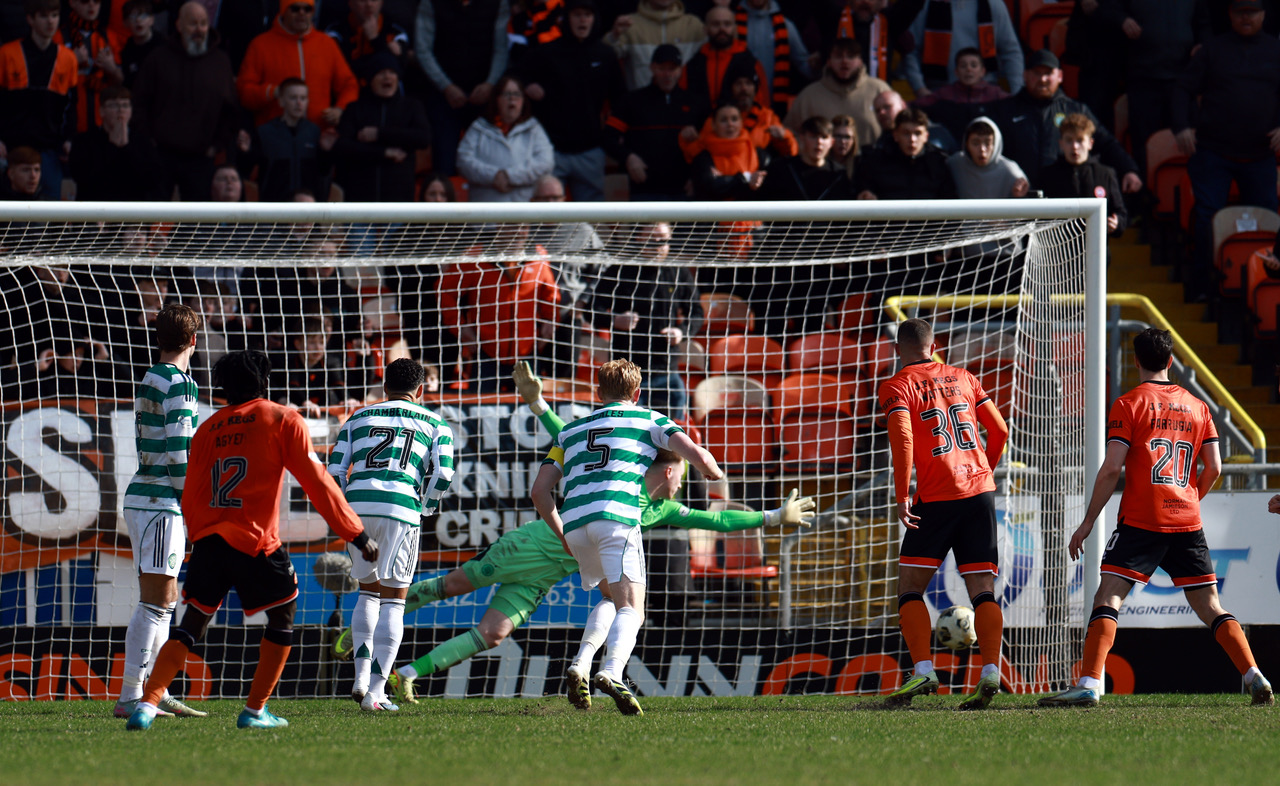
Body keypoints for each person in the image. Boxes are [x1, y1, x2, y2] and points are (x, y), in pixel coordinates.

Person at [332, 362, 814, 705]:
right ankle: (358, 640)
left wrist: (770, 518)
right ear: (667, 470)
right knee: (452, 586)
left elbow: (714, 520)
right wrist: (539, 404)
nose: (680, 481)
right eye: (679, 474)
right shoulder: (629, 490)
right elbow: (568, 433)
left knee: (495, 633)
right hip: (532, 544)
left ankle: (407, 674)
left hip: (552, 568)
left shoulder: (652, 505)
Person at [126, 350, 379, 730]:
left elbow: (192, 491)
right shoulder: (282, 418)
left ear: (223, 388)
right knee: (283, 614)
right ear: (265, 381)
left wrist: (198, 537)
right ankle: (255, 710)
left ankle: (146, 704)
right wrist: (355, 533)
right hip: (256, 541)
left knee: (191, 622)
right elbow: (317, 482)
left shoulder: (208, 427)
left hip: (210, 540)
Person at [1039, 328, 1273, 708]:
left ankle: (1089, 682)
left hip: (1141, 520)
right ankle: (1254, 674)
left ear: (1135, 361)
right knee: (1210, 604)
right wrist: (1190, 498)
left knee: (1109, 594)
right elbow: (1213, 466)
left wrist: (1087, 522)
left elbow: (1112, 468)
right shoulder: (1198, 406)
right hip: (1186, 521)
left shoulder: (1129, 404)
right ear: (1170, 361)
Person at [531, 358, 724, 715]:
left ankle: (581, 663)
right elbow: (698, 456)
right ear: (637, 393)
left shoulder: (569, 431)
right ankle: (613, 672)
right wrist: (712, 471)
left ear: (598, 392)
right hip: (615, 518)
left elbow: (539, 492)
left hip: (574, 523)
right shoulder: (650, 418)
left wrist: (561, 534)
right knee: (632, 609)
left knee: (608, 598)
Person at [877, 318, 1009, 710]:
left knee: (910, 587)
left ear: (898, 349)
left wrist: (903, 495)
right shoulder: (964, 377)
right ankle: (989, 672)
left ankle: (923, 670)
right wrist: (987, 469)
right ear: (935, 345)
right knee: (982, 590)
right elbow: (999, 430)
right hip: (979, 491)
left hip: (935, 498)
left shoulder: (897, 385)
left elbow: (902, 439)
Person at [328, 358, 455, 712]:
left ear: (384, 387)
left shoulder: (358, 417)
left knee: (366, 592)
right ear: (421, 390)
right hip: (401, 509)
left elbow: (334, 469)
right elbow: (443, 474)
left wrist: (343, 509)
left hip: (357, 509)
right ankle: (377, 692)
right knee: (394, 599)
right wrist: (425, 506)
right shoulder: (436, 423)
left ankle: (359, 678)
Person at [115, 303, 207, 720]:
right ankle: (132, 696)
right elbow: (178, 452)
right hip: (161, 501)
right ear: (193, 340)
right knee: (155, 602)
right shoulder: (180, 384)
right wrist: (193, 505)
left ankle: (155, 690)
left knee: (164, 600)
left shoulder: (152, 376)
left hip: (144, 497)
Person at [1171, 0, 1280, 300]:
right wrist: (1181, 126)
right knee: (1207, 220)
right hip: (1214, 153)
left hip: (1260, 156)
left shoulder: (1275, 50)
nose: (1246, 17)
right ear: (1230, 15)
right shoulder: (1212, 50)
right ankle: (1203, 287)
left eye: (1252, 12)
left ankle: (1263, 291)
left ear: (1264, 14)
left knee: (1269, 222)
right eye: (1239, 12)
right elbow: (1182, 89)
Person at [589, 222, 702, 419]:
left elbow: (697, 312)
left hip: (666, 369)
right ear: (638, 239)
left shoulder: (678, 272)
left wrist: (682, 332)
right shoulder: (621, 271)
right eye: (652, 240)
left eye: (664, 240)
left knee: (675, 431)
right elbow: (591, 309)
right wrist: (614, 320)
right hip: (626, 373)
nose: (658, 245)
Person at [131, 1, 240, 202]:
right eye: (193, 23)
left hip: (201, 157)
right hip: (161, 155)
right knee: (154, 216)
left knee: (196, 224)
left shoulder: (220, 62)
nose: (199, 29)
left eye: (203, 23)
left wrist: (216, 145)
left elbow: (231, 110)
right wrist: (149, 141)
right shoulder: (158, 59)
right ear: (179, 25)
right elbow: (139, 104)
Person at [991, 50, 1141, 193]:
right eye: (1036, 73)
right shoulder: (1006, 110)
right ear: (1025, 75)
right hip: (1018, 195)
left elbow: (1105, 143)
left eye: (1048, 73)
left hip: (1063, 196)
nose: (1042, 79)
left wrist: (1128, 169)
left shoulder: (1076, 110)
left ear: (1060, 76)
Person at [522, 0, 627, 202]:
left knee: (591, 221)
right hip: (551, 150)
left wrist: (615, 133)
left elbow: (620, 98)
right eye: (577, 14)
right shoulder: (547, 53)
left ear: (594, 19)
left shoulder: (605, 55)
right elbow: (516, 75)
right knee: (548, 220)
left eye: (587, 15)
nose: (582, 20)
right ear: (567, 19)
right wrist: (527, 86)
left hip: (591, 150)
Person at [414, 0, 511, 176]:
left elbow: (501, 48)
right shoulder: (430, 4)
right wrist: (446, 86)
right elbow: (423, 50)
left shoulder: (498, 4)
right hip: (443, 97)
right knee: (443, 164)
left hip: (483, 95)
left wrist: (490, 83)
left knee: (487, 164)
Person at [602, 44, 709, 201]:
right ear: (652, 68)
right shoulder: (633, 101)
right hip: (644, 191)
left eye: (672, 69)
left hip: (685, 191)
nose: (667, 74)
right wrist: (628, 158)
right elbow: (608, 138)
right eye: (661, 68)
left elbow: (711, 145)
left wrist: (699, 176)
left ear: (680, 70)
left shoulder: (696, 104)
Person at [0, 0, 80, 201]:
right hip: (11, 147)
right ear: (30, 19)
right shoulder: (7, 54)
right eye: (44, 16)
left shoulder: (68, 58)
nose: (50, 22)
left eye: (54, 15)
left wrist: (69, 139)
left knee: (50, 215)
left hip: (49, 149)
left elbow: (71, 105)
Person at [237, 0, 360, 129]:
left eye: (307, 9)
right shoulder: (260, 45)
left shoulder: (327, 44)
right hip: (274, 138)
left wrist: (340, 109)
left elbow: (349, 85)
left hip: (317, 136)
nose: (301, 13)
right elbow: (244, 92)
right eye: (295, 8)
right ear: (284, 11)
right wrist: (272, 92)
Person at [333, 51, 431, 203]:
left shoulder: (411, 107)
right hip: (360, 202)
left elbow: (423, 138)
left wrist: (380, 134)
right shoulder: (355, 109)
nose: (387, 77)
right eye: (381, 72)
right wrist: (384, 152)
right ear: (370, 79)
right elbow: (343, 146)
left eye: (392, 72)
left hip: (398, 202)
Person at [457, 74, 554, 202]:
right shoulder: (479, 128)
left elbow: (546, 162)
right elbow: (463, 161)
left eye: (517, 94)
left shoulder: (534, 128)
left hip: (523, 212)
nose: (512, 99)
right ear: (496, 99)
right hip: (484, 213)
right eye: (507, 94)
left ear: (524, 100)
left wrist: (510, 176)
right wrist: (494, 176)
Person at [902, 0, 1023, 99]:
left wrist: (1018, 92)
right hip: (940, 95)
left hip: (985, 94)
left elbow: (1010, 51)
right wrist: (920, 89)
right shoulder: (926, 5)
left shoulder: (993, 4)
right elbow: (911, 51)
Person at [784, 39, 889, 151]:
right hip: (822, 167)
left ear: (860, 61)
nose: (844, 61)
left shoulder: (880, 90)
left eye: (851, 56)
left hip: (871, 165)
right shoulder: (808, 96)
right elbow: (789, 135)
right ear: (828, 61)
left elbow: (899, 129)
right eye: (838, 56)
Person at [68, 85, 164, 201]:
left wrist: (126, 148)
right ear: (101, 111)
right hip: (95, 210)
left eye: (125, 105)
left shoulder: (143, 141)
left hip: (132, 213)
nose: (121, 110)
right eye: (114, 105)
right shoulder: (84, 141)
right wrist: (111, 147)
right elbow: (82, 177)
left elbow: (152, 180)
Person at [1039, 113, 1126, 236]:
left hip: (1097, 251)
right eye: (1069, 140)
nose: (1074, 147)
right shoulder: (1048, 176)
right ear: (1061, 143)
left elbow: (1120, 213)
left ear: (1090, 143)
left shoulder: (1105, 174)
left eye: (1080, 140)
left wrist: (1117, 223)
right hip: (1060, 251)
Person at [246, 78, 331, 203]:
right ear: (281, 101)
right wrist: (245, 152)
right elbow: (247, 169)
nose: (299, 103)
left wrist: (326, 152)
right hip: (274, 209)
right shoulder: (265, 133)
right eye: (293, 98)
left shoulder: (315, 132)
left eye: (303, 98)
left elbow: (323, 172)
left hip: (308, 209)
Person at [855, 108, 956, 200]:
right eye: (906, 133)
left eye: (917, 133)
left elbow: (950, 200)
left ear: (926, 136)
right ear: (895, 135)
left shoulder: (939, 163)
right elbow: (863, 191)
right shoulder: (876, 162)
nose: (912, 140)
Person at [604, 0, 705, 91]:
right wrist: (614, 36)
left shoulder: (692, 24)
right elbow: (607, 57)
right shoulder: (630, 24)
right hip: (641, 104)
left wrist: (720, 8)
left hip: (683, 104)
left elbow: (715, 51)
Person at [733, 0, 812, 115]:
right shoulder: (730, 24)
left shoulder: (785, 26)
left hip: (773, 109)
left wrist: (821, 66)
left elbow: (803, 64)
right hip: (737, 109)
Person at [681, 7, 767, 109]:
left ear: (735, 28)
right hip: (701, 124)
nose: (722, 29)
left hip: (740, 124)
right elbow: (683, 101)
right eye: (715, 24)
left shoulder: (750, 62)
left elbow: (762, 104)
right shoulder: (694, 64)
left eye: (727, 24)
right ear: (705, 29)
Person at [680, 102, 767, 200]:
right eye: (723, 120)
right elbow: (710, 187)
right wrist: (747, 178)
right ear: (713, 124)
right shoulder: (703, 156)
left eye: (734, 119)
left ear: (741, 122)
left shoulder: (760, 154)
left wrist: (725, 181)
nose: (730, 124)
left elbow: (768, 186)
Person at [946, 116, 1027, 200]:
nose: (982, 149)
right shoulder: (954, 164)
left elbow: (1030, 201)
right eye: (975, 143)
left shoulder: (1010, 170)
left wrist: (1020, 195)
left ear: (995, 144)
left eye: (987, 143)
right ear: (966, 144)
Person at [325, 0, 412, 76]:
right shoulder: (335, 32)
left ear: (381, 2)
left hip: (383, 92)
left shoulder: (395, 32)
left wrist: (375, 40)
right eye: (362, 0)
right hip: (349, 89)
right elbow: (335, 68)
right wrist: (387, 49)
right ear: (350, 3)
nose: (369, 4)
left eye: (374, 0)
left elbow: (399, 69)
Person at [118, 0, 162, 89]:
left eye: (143, 15)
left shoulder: (163, 46)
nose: (138, 20)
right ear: (125, 23)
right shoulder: (126, 50)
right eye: (133, 16)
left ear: (152, 20)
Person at [829, 114, 857, 180]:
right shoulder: (820, 165)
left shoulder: (860, 166)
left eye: (847, 137)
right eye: (838, 136)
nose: (842, 141)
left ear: (854, 140)